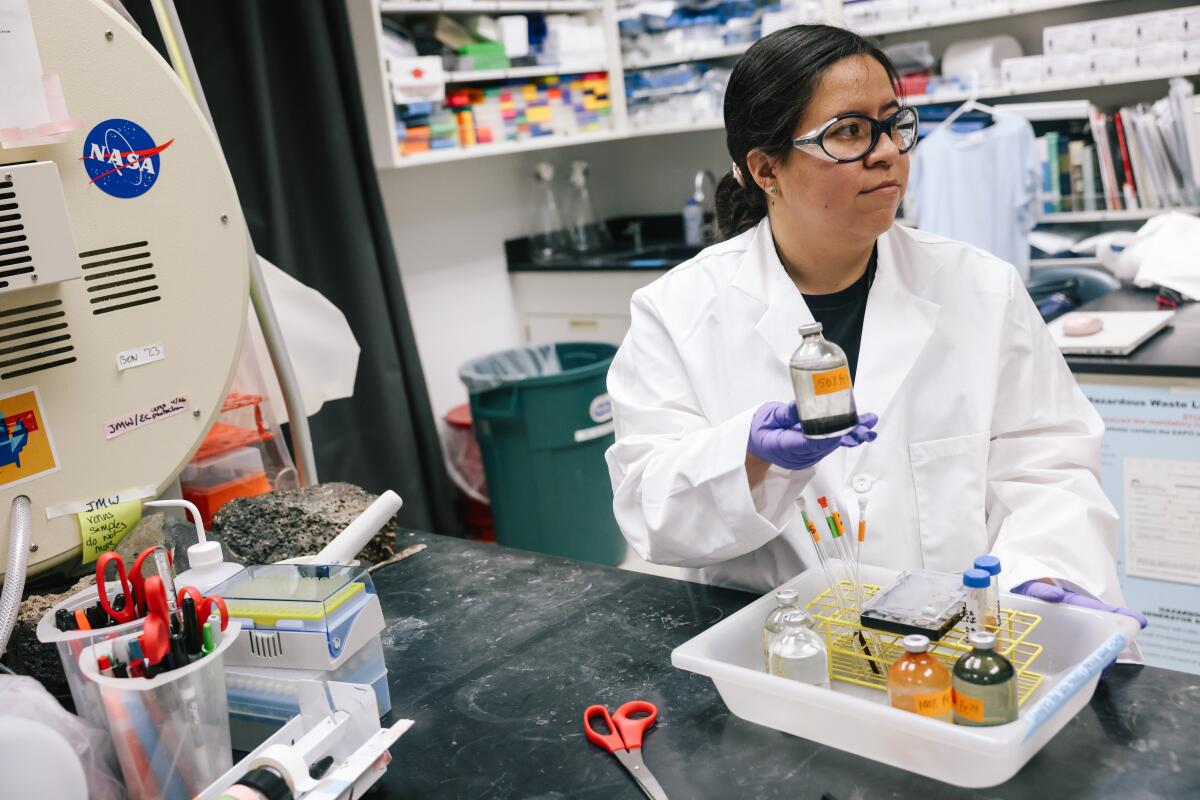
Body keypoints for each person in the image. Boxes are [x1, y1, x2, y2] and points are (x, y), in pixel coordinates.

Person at [604, 24, 1144, 627]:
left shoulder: (982, 288)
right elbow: (652, 513)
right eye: (849, 132)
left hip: (956, 650)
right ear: (765, 170)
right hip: (777, 649)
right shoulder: (675, 312)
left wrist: (1042, 569)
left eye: (893, 124)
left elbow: (1048, 466)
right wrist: (747, 457)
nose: (887, 151)